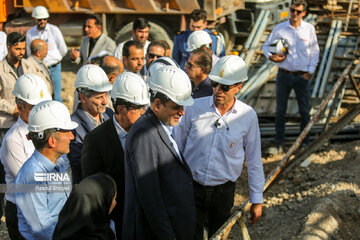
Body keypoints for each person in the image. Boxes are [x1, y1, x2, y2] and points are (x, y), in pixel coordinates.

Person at [174, 55, 265, 240]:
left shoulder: (247, 116)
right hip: (192, 188)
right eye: (214, 83)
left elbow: (254, 160)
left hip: (223, 193)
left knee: (220, 235)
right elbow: (177, 148)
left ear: (238, 87)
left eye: (224, 87)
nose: (217, 90)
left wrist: (257, 200)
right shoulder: (193, 108)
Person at [122, 66, 196, 240]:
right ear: (157, 104)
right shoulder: (144, 135)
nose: (182, 112)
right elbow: (150, 198)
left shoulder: (160, 127)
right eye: (176, 107)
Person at [81, 72, 149, 238]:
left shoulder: (148, 132)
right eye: (138, 108)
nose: (143, 113)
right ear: (120, 109)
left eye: (144, 107)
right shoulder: (96, 140)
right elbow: (91, 188)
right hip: (114, 221)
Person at [15, 100, 78, 240]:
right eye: (66, 132)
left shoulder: (61, 162)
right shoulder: (31, 177)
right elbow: (43, 230)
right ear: (52, 142)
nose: (72, 137)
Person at [262, 0, 320, 151]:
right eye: (293, 10)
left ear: (304, 13)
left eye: (298, 12)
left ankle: (304, 142)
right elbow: (265, 46)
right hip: (284, 75)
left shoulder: (309, 29)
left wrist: (310, 72)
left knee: (304, 110)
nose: (294, 14)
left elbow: (315, 52)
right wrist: (271, 56)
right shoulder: (280, 28)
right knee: (280, 110)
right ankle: (279, 142)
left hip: (302, 77)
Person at [0, 74, 51, 240]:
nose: (41, 112)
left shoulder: (48, 131)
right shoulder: (13, 139)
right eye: (34, 107)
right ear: (20, 108)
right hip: (23, 212)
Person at [68, 64, 113, 184]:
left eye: (106, 95)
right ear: (83, 98)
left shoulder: (109, 114)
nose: (105, 101)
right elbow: (80, 165)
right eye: (99, 97)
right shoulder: (72, 127)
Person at [52, 173, 117, 240]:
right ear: (101, 203)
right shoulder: (103, 235)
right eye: (114, 198)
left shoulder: (62, 228)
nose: (115, 203)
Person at [26, 6, 67, 102]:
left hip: (54, 68)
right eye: (40, 20)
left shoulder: (54, 30)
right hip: (38, 70)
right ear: (35, 19)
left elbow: (63, 49)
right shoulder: (30, 33)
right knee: (40, 95)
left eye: (45, 19)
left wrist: (54, 60)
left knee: (56, 97)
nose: (43, 22)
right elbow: (29, 52)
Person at [0, 32, 35, 141]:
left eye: (23, 49)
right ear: (8, 47)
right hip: (7, 124)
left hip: (28, 123)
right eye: (18, 49)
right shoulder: (1, 69)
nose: (21, 52)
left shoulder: (29, 66)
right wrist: (13, 110)